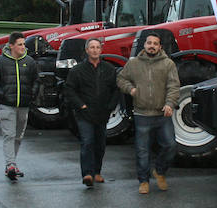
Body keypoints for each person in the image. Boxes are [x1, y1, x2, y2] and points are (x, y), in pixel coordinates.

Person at [116, 32, 180, 194]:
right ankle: (143, 181)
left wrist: (169, 104)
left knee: (170, 145)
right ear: (144, 45)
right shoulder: (134, 63)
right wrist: (130, 89)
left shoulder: (168, 64)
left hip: (162, 114)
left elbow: (173, 86)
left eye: (155, 43)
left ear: (160, 47)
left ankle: (159, 171)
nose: (151, 46)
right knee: (142, 150)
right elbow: (121, 79)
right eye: (149, 43)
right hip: (141, 114)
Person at [64, 38, 119, 188]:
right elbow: (69, 89)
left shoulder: (109, 69)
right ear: (87, 50)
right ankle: (87, 174)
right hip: (84, 114)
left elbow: (116, 89)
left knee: (100, 144)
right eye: (92, 47)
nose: (95, 50)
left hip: (102, 113)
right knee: (87, 142)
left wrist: (110, 106)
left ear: (101, 50)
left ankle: (97, 172)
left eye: (97, 47)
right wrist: (81, 106)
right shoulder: (77, 70)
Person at [0, 32, 39, 181]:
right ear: (11, 46)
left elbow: (36, 80)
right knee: (9, 135)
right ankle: (11, 164)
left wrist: (32, 94)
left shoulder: (30, 62)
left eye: (24, 44)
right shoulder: (0, 62)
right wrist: (2, 94)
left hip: (23, 104)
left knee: (18, 136)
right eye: (20, 44)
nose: (23, 47)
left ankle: (11, 164)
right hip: (7, 105)